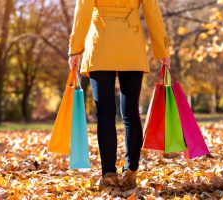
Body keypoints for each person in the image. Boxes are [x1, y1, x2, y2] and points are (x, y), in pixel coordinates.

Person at [68, 0, 171, 192]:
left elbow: (83, 11)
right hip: (131, 44)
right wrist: (162, 50)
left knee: (105, 115)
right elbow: (152, 11)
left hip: (100, 43)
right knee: (131, 113)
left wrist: (75, 50)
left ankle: (109, 174)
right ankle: (131, 171)